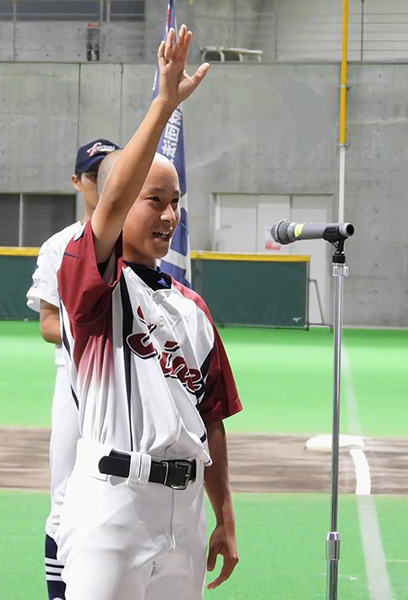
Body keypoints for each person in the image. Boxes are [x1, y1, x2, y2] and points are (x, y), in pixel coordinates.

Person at [55, 25, 241, 600]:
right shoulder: (92, 283)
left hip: (182, 516)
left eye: (175, 202)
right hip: (113, 502)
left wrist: (224, 512)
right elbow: (109, 201)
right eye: (153, 200)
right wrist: (163, 103)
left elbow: (211, 419)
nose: (168, 214)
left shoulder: (193, 309)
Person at [26, 137, 119, 600]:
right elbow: (47, 323)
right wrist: (91, 328)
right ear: (78, 181)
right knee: (64, 494)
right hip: (77, 379)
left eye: (110, 170)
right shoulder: (59, 245)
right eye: (93, 173)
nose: (101, 180)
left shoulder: (139, 239)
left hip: (131, 383)